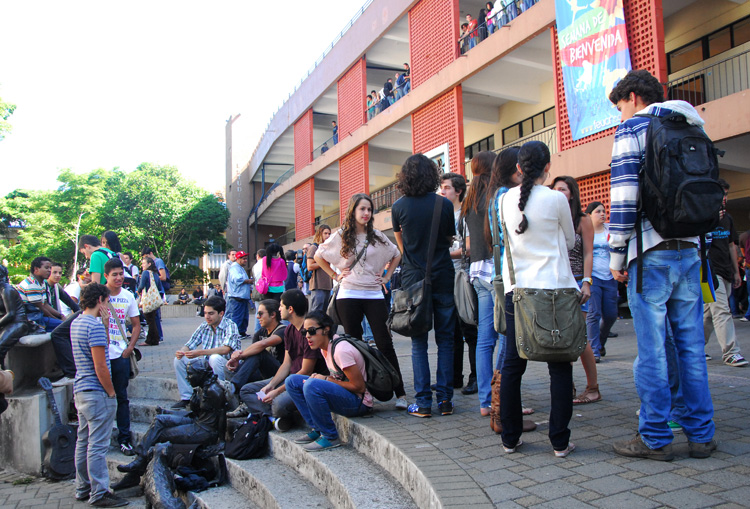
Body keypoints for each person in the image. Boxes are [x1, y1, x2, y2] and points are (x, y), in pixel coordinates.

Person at [608, 69, 715, 460]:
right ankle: (701, 434)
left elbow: (622, 198)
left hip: (649, 251)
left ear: (634, 97)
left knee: (652, 350)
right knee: (690, 347)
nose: (620, 115)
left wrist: (616, 256)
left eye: (620, 107)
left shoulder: (633, 129)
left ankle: (654, 437)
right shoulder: (692, 124)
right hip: (690, 248)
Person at [498, 140, 577, 458]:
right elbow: (570, 241)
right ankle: (559, 442)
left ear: (518, 168)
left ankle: (510, 438)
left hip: (516, 291)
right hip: (554, 291)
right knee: (559, 365)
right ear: (548, 167)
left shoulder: (505, 199)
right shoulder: (557, 199)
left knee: (512, 365)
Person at [314, 193, 407, 410]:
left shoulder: (376, 235)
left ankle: (400, 392)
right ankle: (363, 393)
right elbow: (319, 255)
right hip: (348, 295)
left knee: (385, 343)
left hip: (374, 294)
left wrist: (386, 277)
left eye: (369, 209)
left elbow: (396, 254)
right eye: (362, 209)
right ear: (353, 211)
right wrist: (335, 275)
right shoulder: (340, 235)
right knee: (354, 344)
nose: (366, 213)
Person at [391, 155, 456, 417]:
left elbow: (402, 245)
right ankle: (446, 400)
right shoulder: (444, 204)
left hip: (412, 279)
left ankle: (423, 403)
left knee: (418, 340)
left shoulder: (398, 207)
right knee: (446, 339)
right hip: (442, 275)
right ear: (432, 175)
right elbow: (449, 238)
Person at [116, 359, 227, 487]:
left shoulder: (215, 391)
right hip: (196, 420)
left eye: (190, 374)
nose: (187, 377)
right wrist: (170, 411)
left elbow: (222, 416)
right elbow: (194, 413)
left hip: (205, 430)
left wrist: (221, 442)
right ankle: (140, 459)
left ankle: (136, 471)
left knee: (162, 435)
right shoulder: (202, 387)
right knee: (159, 420)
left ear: (201, 374)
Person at [70, 282, 128, 507]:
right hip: (96, 392)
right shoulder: (92, 327)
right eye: (107, 300)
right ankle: (100, 492)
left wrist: (105, 325)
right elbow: (100, 366)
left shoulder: (77, 323)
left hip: (81, 391)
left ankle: (82, 487)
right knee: (97, 445)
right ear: (100, 301)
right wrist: (111, 392)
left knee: (83, 441)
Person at [237, 290, 328, 430]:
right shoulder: (289, 330)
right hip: (288, 378)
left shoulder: (309, 331)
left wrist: (277, 391)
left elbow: (306, 371)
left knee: (278, 405)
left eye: (281, 305)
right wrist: (271, 385)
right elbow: (287, 364)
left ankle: (271, 415)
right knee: (246, 390)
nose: (279, 309)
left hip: (303, 382)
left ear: (290, 309)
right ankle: (272, 418)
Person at [287, 311, 373, 452]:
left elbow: (359, 387)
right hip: (347, 395)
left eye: (312, 331)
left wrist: (327, 379)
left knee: (312, 385)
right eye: (305, 332)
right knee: (292, 381)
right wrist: (326, 379)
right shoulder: (325, 348)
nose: (308, 336)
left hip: (360, 402)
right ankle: (317, 428)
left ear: (326, 329)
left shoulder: (341, 351)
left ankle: (330, 436)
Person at [551, 176, 600, 406]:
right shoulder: (551, 218)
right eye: (555, 189)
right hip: (555, 284)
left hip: (578, 282)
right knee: (560, 338)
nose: (558, 192)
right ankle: (566, 385)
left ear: (572, 193)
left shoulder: (582, 220)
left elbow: (589, 253)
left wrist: (587, 282)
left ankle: (592, 388)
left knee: (579, 338)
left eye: (563, 189)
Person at [462, 152, 504, 416]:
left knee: (484, 339)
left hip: (477, 271)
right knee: (506, 338)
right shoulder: (497, 194)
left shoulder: (468, 200)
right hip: (497, 271)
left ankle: (486, 402)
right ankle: (504, 398)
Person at [439, 172, 479, 396]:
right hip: (447, 277)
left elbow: (471, 248)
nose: (442, 191)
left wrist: (445, 256)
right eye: (441, 187)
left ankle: (475, 377)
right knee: (451, 330)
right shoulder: (443, 213)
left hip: (464, 276)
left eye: (446, 188)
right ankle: (454, 377)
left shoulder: (466, 214)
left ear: (459, 191)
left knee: (469, 329)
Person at [703, 179, 748, 367]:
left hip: (726, 271)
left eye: (726, 194)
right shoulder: (702, 217)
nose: (724, 198)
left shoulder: (727, 218)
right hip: (710, 272)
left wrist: (736, 272)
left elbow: (731, 246)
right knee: (722, 310)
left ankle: (693, 347)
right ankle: (731, 352)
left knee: (708, 314)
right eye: (722, 194)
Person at [173, 295, 240, 408]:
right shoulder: (204, 326)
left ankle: (220, 397)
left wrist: (199, 352)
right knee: (179, 359)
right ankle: (187, 397)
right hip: (207, 365)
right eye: (205, 313)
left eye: (211, 313)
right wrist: (182, 352)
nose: (207, 317)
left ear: (221, 313)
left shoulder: (230, 325)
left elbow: (225, 349)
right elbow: (190, 344)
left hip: (227, 366)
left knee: (215, 358)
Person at [103, 258, 141, 456]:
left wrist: (130, 347)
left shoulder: (128, 296)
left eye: (121, 274)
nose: (119, 278)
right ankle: (100, 438)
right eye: (114, 274)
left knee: (122, 397)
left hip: (120, 353)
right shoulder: (98, 295)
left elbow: (136, 324)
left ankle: (124, 439)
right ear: (106, 276)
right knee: (100, 396)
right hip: (100, 353)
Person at [224, 299, 285, 415]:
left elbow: (262, 345)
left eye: (261, 313)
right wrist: (238, 360)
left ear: (273, 315)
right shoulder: (260, 333)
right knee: (231, 367)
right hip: (262, 374)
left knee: (259, 352)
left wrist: (238, 356)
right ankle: (240, 402)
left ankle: (232, 387)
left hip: (278, 374)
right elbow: (251, 354)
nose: (257, 317)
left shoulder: (283, 331)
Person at [585, 201, 618, 360]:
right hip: (593, 277)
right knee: (594, 313)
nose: (602, 214)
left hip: (610, 276)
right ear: (589, 215)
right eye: (598, 211)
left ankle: (600, 343)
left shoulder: (610, 230)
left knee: (611, 315)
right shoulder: (585, 231)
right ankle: (594, 351)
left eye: (604, 211)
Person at [16, 256, 64, 331]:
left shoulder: (41, 283)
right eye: (46, 268)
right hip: (30, 318)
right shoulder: (31, 285)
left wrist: (60, 315)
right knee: (63, 327)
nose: (49, 271)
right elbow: (41, 308)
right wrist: (60, 321)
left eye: (50, 268)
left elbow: (44, 304)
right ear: (36, 269)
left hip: (38, 316)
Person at [0, 265, 32, 370]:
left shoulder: (7, 290)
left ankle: (3, 377)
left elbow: (11, 314)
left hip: (18, 323)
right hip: (7, 324)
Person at [306, 224, 333, 313]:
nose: (327, 236)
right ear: (320, 234)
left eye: (329, 234)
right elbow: (310, 266)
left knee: (325, 313)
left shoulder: (327, 248)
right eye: (325, 233)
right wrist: (323, 262)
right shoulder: (314, 248)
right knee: (316, 312)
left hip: (328, 285)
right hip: (317, 285)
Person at [137, 258, 164, 347]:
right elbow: (160, 287)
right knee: (153, 320)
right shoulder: (155, 274)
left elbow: (141, 285)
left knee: (150, 321)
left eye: (143, 263)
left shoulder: (146, 273)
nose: (142, 265)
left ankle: (150, 340)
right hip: (154, 300)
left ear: (149, 264)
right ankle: (156, 338)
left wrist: (138, 292)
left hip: (148, 300)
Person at [226, 251, 253, 337]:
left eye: (246, 259)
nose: (245, 260)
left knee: (244, 316)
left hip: (242, 297)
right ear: (238, 259)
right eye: (243, 259)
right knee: (237, 316)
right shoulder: (234, 268)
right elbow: (237, 279)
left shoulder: (240, 268)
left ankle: (241, 332)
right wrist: (249, 281)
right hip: (237, 297)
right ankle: (235, 334)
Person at [251, 249, 266, 333]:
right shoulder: (266, 264)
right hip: (266, 289)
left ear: (258, 256)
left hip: (258, 289)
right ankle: (261, 331)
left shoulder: (255, 266)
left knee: (258, 311)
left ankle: (257, 331)